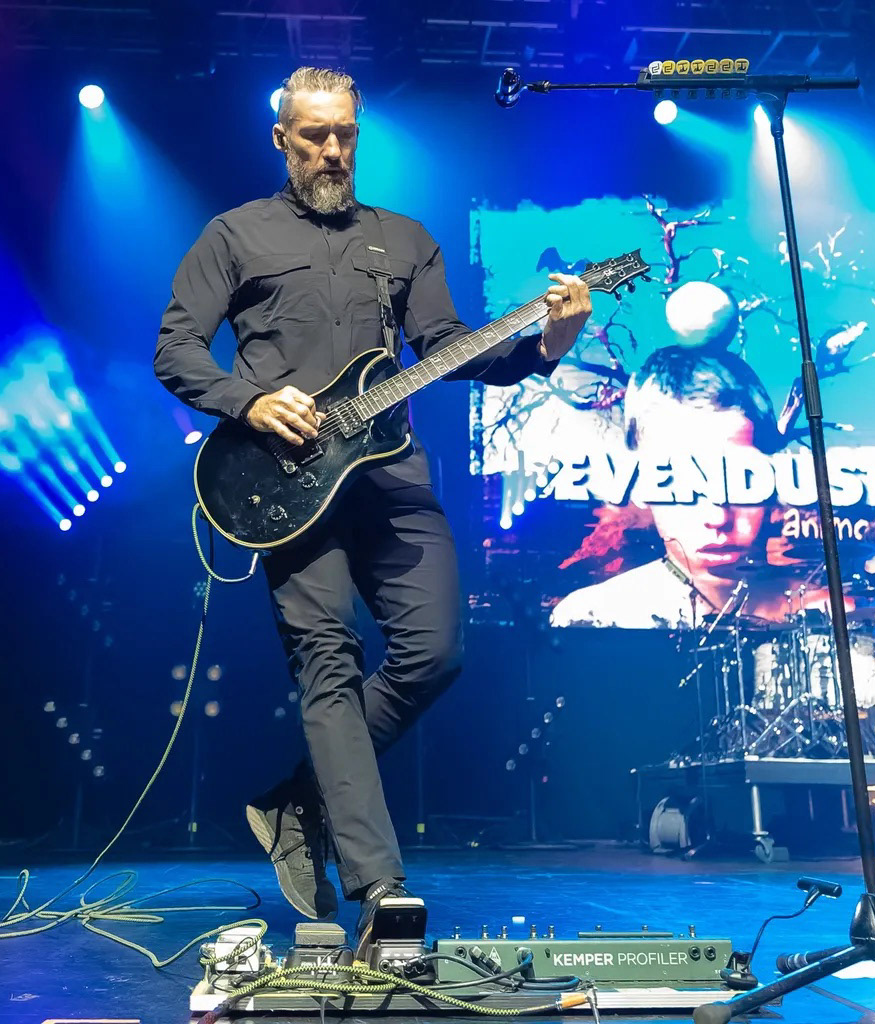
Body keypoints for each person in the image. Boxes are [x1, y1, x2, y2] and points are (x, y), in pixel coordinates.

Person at [154, 67, 593, 944]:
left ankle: (298, 801)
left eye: (345, 135)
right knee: (327, 661)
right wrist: (249, 400)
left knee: (435, 654)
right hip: (288, 484)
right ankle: (379, 888)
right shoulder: (234, 234)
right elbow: (176, 349)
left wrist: (546, 345)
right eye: (314, 135)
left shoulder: (405, 238)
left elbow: (448, 347)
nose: (332, 150)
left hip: (392, 476)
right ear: (281, 138)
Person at [550, 345, 793, 629]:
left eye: (741, 479)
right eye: (682, 482)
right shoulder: (593, 616)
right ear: (638, 481)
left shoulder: (825, 610)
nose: (717, 517)